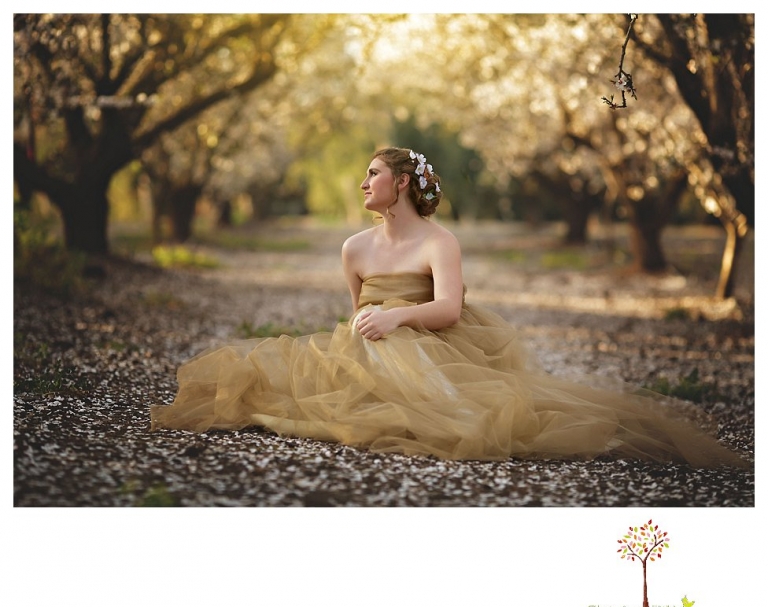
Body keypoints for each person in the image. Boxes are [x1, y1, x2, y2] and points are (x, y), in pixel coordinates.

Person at [150, 147, 749, 469]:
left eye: (373, 174)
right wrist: (372, 327)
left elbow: (448, 310)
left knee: (470, 418)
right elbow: (356, 312)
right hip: (367, 346)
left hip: (433, 339)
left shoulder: (440, 242)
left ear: (402, 183)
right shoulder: (353, 248)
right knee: (268, 383)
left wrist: (395, 317)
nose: (363, 183)